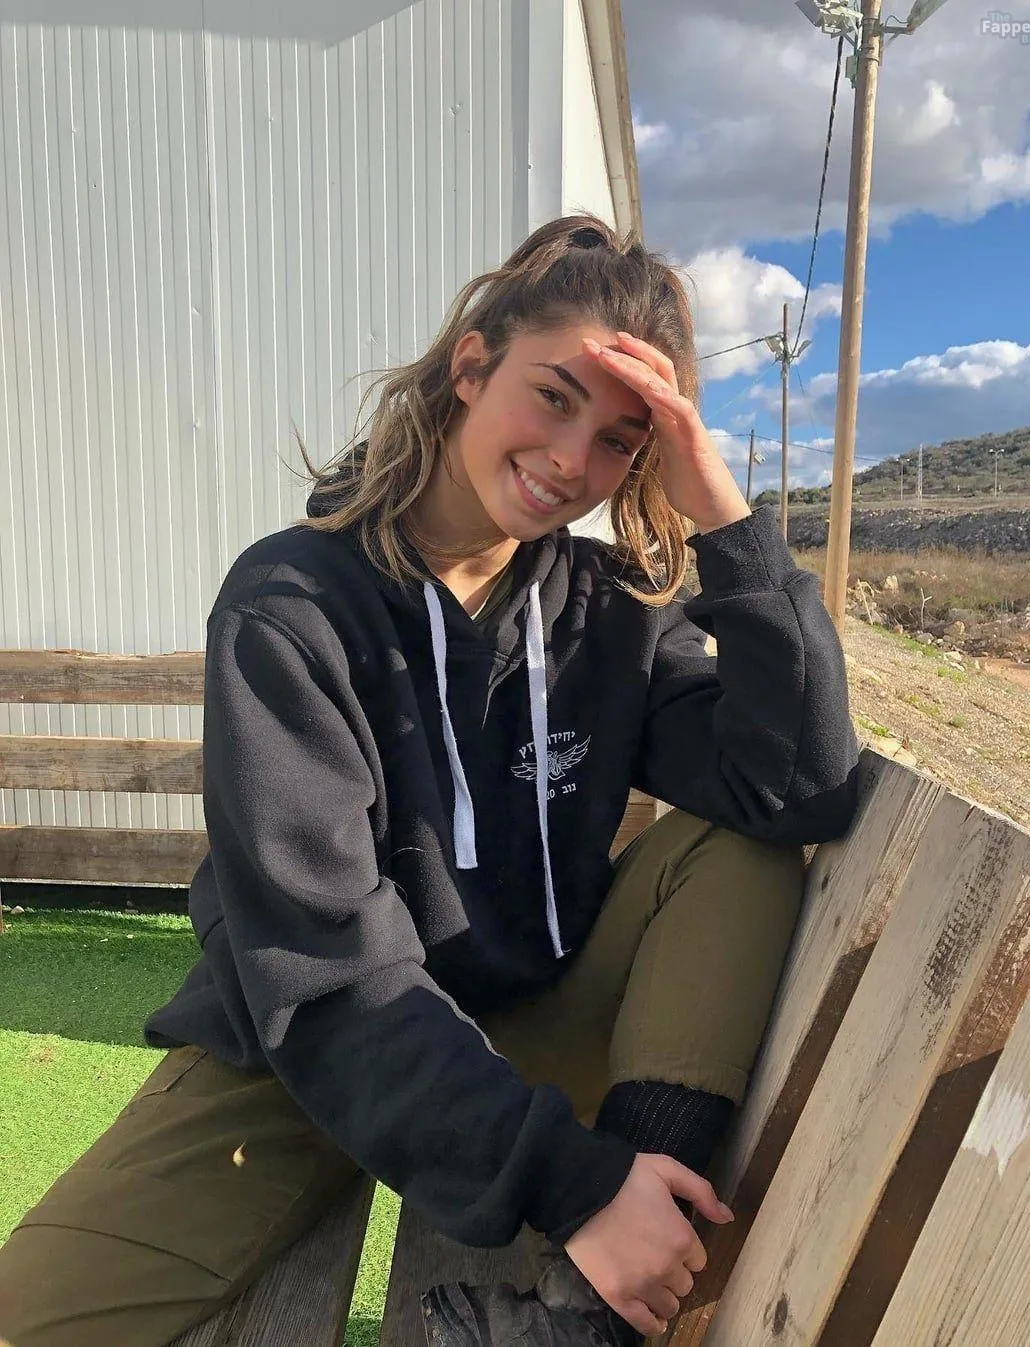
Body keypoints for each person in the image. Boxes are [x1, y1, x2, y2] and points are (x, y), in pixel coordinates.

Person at [0, 216, 859, 1347]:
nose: (573, 461)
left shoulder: (609, 610)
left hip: (533, 1026)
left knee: (736, 840)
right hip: (309, 1055)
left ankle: (582, 1319)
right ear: (470, 367)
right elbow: (324, 970)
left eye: (619, 441)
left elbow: (798, 788)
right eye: (553, 397)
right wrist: (576, 1185)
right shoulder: (292, 607)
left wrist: (728, 522)